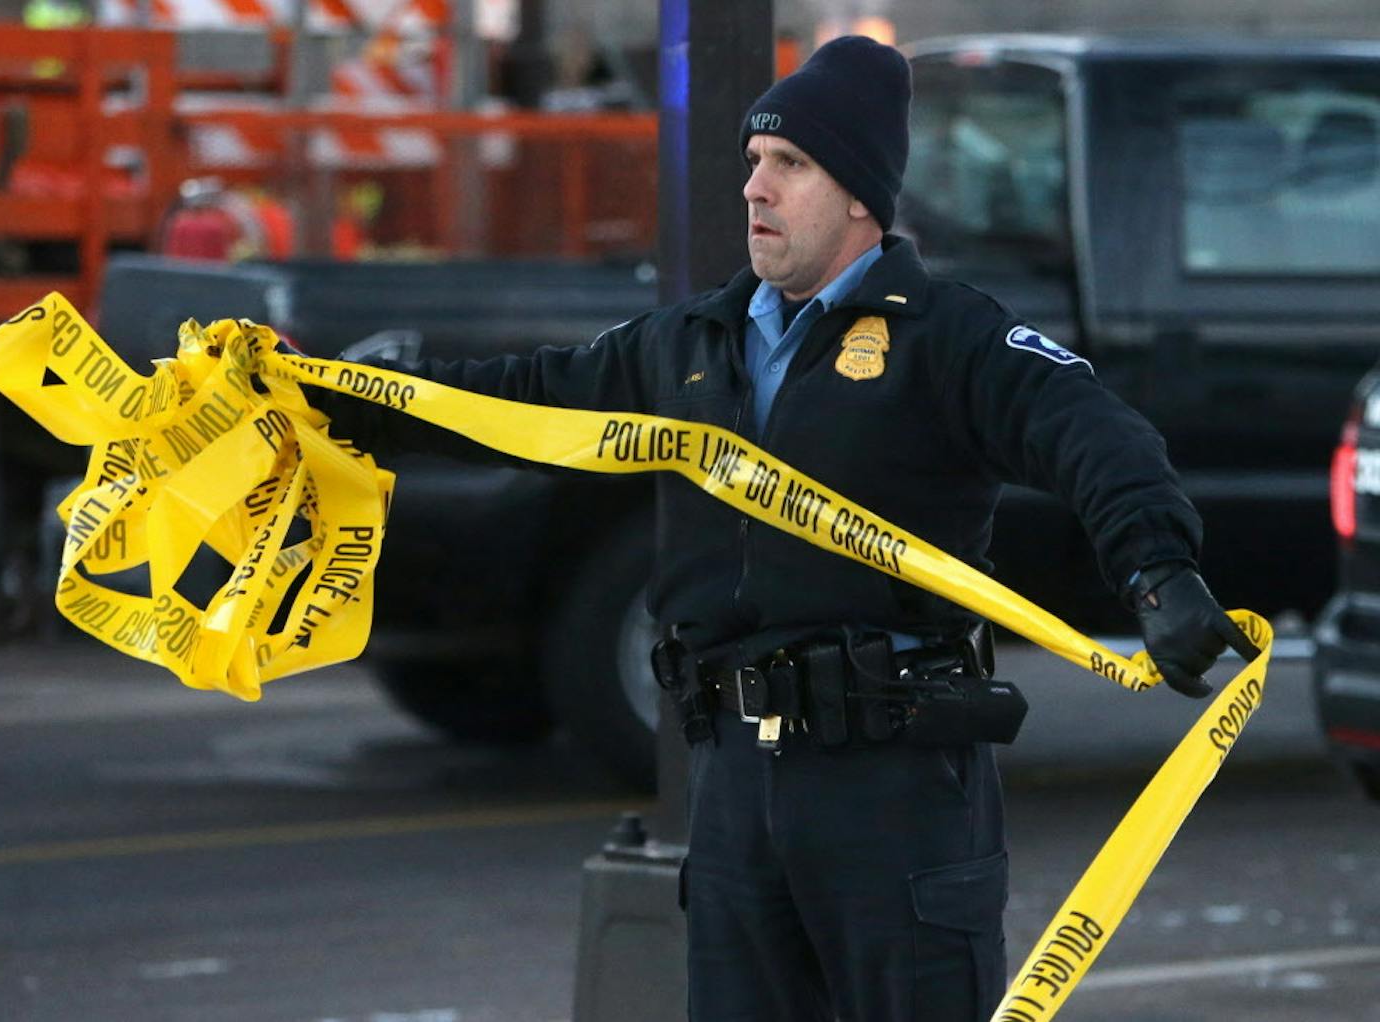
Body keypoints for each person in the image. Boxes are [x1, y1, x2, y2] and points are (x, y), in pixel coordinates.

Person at [311, 35, 1258, 1022]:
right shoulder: (691, 342)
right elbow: (525, 400)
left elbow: (1094, 435)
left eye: (790, 165)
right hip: (733, 783)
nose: (756, 186)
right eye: (754, 162)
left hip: (893, 787)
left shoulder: (945, 336)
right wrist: (338, 399)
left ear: (858, 194)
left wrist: (1158, 570)